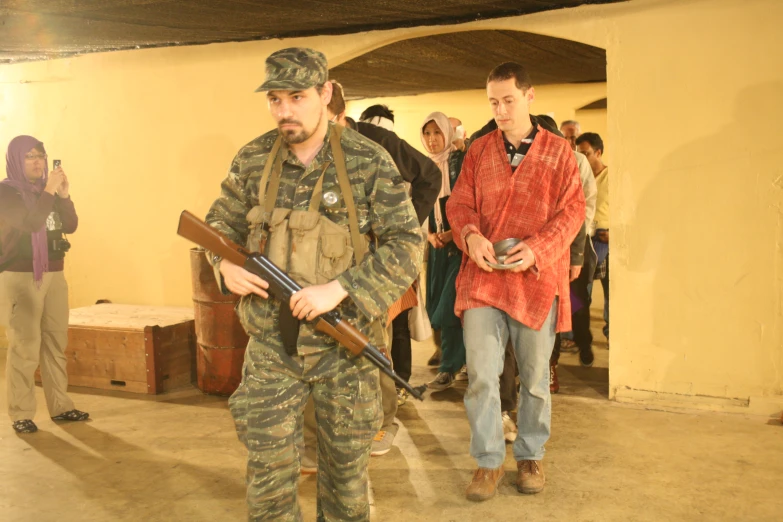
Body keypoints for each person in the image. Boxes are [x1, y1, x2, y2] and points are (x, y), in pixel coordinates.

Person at [204, 47, 423, 521]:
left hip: (343, 349)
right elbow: (219, 226)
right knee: (268, 477)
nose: (285, 111)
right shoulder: (254, 158)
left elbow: (407, 244)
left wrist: (340, 288)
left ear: (325, 94)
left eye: (297, 97)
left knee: (345, 482)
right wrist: (224, 264)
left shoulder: (368, 160)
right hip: (270, 350)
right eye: (275, 99)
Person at [446, 62, 585, 501]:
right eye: (493, 102)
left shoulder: (559, 153)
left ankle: (529, 454)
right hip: (483, 277)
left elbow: (573, 211)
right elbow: (459, 205)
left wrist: (540, 248)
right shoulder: (478, 151)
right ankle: (488, 462)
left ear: (529, 97)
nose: (501, 110)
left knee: (535, 378)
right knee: (483, 378)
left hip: (536, 279)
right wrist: (470, 237)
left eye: (508, 100)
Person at [297, 80, 439, 464]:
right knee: (321, 348)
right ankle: (316, 439)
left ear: (341, 115)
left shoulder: (378, 143)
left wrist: (404, 228)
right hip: (324, 265)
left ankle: (384, 421)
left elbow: (429, 176)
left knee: (374, 344)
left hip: (375, 264)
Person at [0, 135, 89, 434]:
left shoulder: (45, 192)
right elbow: (30, 223)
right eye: (30, 156)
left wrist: (63, 195)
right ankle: (20, 412)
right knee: (25, 346)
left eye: (41, 155)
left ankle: (61, 406)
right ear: (16, 160)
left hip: (54, 274)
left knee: (55, 341)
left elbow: (72, 226)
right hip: (21, 277)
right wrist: (49, 192)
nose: (38, 162)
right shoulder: (6, 193)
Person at [420, 111, 467, 392]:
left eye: (438, 133)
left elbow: (473, 202)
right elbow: (419, 207)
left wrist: (454, 233)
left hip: (461, 246)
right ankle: (454, 361)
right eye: (427, 133)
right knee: (434, 305)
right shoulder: (424, 167)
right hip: (437, 244)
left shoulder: (461, 162)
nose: (432, 139)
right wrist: (429, 236)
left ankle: (450, 366)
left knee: (450, 308)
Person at [576, 132, 610, 342]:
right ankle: (579, 336)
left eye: (586, 153)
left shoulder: (612, 177)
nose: (582, 158)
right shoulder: (578, 175)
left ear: (598, 152)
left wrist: (613, 232)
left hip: (606, 240)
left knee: (611, 294)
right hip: (584, 239)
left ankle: (611, 335)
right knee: (580, 293)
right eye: (579, 153)